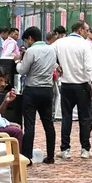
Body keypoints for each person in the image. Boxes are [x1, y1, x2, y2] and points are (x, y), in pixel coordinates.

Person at [53, 21, 92, 159]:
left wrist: (55, 65)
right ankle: (85, 149)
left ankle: (65, 149)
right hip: (82, 85)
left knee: (67, 117)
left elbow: (48, 53)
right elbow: (89, 66)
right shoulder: (85, 44)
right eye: (87, 30)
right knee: (85, 118)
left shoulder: (60, 42)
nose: (88, 33)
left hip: (66, 85)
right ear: (79, 30)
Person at [15, 26, 57, 164]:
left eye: (27, 40)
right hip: (47, 90)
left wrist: (17, 61)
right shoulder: (51, 49)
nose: (26, 43)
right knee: (48, 124)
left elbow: (22, 70)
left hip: (32, 90)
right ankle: (50, 156)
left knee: (30, 124)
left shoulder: (31, 51)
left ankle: (27, 157)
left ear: (31, 38)